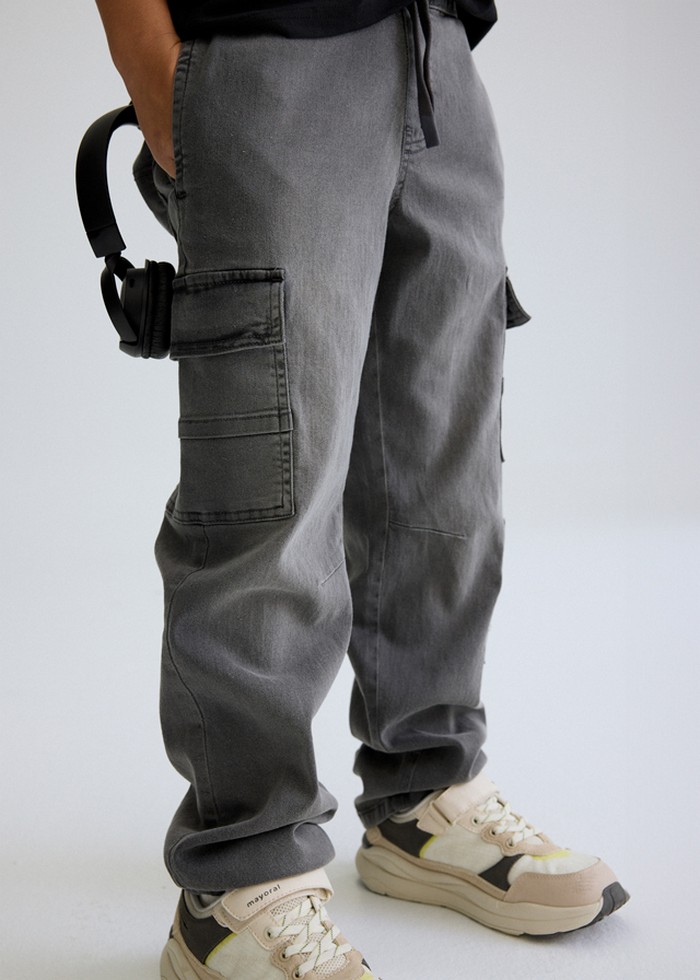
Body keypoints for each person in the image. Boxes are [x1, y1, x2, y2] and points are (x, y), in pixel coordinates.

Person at [94, 1, 630, 977]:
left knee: (441, 462)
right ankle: (238, 879)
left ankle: (423, 791)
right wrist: (150, 66)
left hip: (432, 46)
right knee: (268, 483)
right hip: (266, 48)